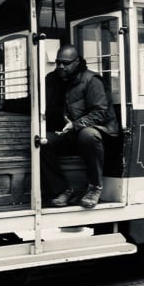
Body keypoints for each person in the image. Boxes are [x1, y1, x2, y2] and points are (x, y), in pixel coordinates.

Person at [41, 44, 119, 209]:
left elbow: (101, 113)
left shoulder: (92, 80)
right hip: (69, 133)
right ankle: (63, 190)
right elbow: (37, 101)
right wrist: (5, 104)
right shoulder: (53, 79)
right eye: (58, 62)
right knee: (42, 141)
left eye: (66, 63)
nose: (61, 66)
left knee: (87, 135)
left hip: (99, 132)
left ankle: (95, 187)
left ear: (77, 62)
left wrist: (76, 125)